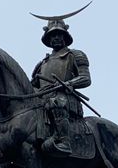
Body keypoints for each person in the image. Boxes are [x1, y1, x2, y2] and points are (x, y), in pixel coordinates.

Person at [31, 17, 91, 156]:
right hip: (43, 100)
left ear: (65, 36)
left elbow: (85, 78)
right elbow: (32, 85)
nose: (56, 37)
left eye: (59, 34)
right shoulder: (42, 63)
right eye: (52, 35)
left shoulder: (75, 55)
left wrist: (67, 84)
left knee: (55, 102)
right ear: (48, 39)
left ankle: (64, 142)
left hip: (65, 99)